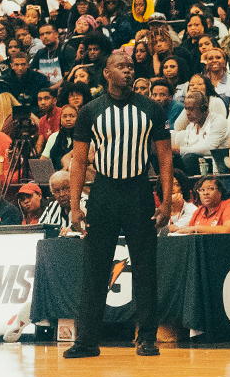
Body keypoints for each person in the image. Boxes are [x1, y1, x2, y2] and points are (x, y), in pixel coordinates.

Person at [64, 50, 173, 359]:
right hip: (104, 192)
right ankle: (86, 341)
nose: (128, 71)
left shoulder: (151, 109)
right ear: (107, 74)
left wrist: (165, 201)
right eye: (120, 66)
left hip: (139, 191)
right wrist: (75, 205)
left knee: (144, 267)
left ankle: (147, 338)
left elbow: (164, 156)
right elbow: (79, 161)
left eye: (130, 66)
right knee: (95, 268)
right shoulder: (89, 111)